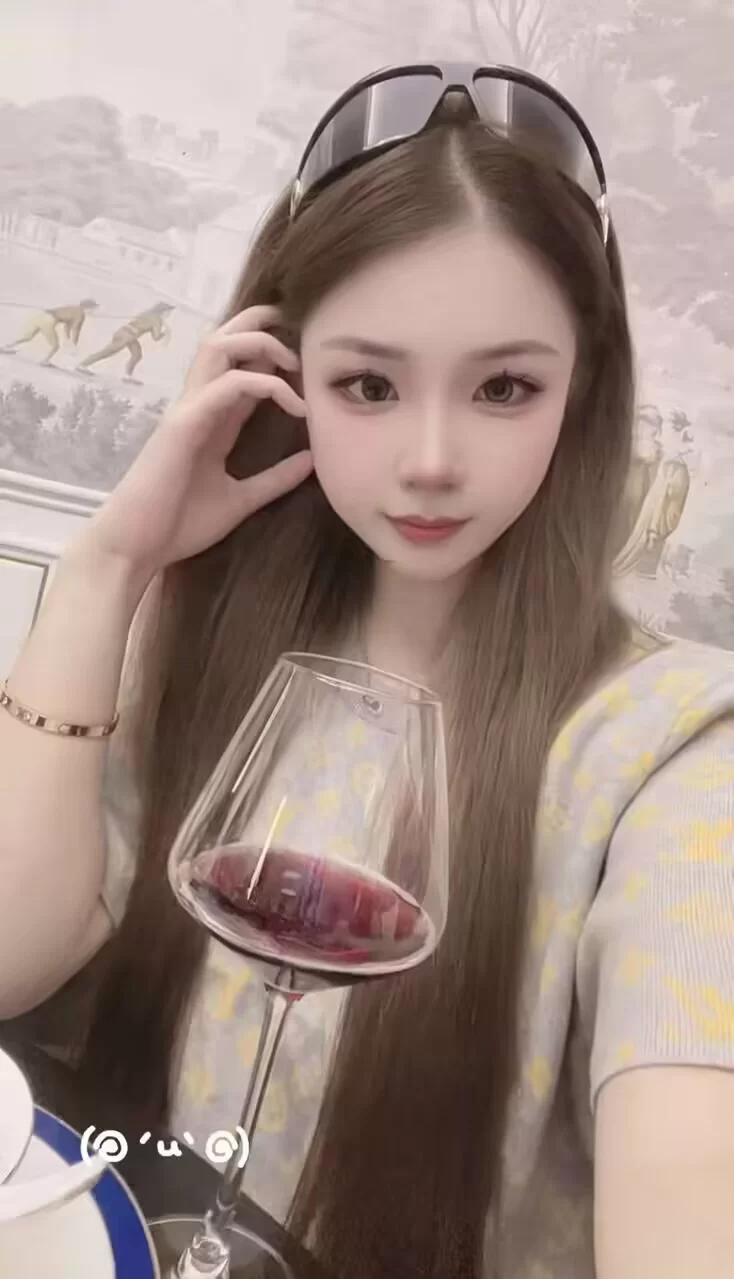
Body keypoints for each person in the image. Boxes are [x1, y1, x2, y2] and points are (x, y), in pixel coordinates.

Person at [0, 62, 732, 1279]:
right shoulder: (193, 638)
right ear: (281, 377)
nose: (430, 458)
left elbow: (690, 1166)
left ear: (581, 391)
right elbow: (12, 956)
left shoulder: (670, 748)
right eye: (368, 385)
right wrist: (104, 568)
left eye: (503, 387)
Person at [76, 301, 173, 380]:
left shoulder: (147, 314)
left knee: (137, 355)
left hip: (127, 334)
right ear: (163, 312)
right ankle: (82, 365)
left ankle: (128, 376)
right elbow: (156, 337)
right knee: (107, 352)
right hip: (127, 336)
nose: (169, 314)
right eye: (168, 312)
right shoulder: (157, 320)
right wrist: (165, 333)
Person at [3, 298, 99, 365]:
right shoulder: (80, 315)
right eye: (93, 309)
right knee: (55, 346)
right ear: (87, 308)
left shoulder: (73, 308)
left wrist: (68, 338)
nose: (93, 311)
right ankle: (45, 361)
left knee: (27, 337)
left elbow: (67, 327)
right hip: (49, 320)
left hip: (41, 315)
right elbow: (76, 329)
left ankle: (6, 347)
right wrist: (73, 344)